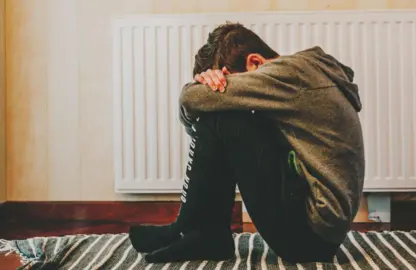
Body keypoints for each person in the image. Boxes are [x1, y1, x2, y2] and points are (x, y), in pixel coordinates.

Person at [128, 22, 365, 264]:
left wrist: (203, 91)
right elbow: (200, 119)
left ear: (255, 63)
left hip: (310, 237)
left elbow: (191, 98)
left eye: (233, 83)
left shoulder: (291, 73)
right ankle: (193, 229)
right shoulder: (304, 73)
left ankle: (197, 232)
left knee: (225, 115)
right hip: (318, 229)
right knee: (224, 113)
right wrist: (208, 100)